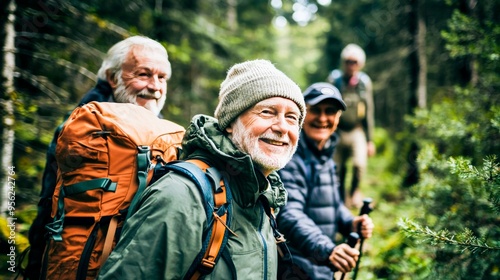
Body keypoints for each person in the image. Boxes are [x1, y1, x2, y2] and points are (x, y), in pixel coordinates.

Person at [97, 59, 306, 279]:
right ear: (230, 122)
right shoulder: (182, 195)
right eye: (267, 112)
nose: (283, 127)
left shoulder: (263, 198)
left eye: (292, 117)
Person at [25, 35, 175, 280]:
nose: (156, 87)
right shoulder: (81, 131)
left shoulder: (161, 131)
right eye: (143, 74)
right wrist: (34, 269)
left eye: (162, 78)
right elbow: (49, 206)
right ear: (112, 78)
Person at [276, 82, 374, 280]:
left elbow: (332, 204)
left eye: (330, 111)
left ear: (338, 118)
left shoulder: (325, 153)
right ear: (302, 114)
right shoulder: (290, 156)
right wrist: (328, 250)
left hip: (318, 267)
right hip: (295, 269)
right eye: (316, 111)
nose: (322, 118)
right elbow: (289, 214)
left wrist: (350, 223)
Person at [327, 43, 376, 208]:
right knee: (337, 170)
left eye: (354, 62)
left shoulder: (364, 82)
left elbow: (368, 112)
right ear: (343, 62)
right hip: (338, 130)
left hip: (357, 130)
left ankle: (355, 191)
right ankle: (341, 203)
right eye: (348, 61)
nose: (351, 65)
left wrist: (370, 140)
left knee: (358, 165)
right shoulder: (335, 79)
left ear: (360, 64)